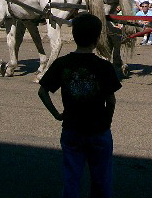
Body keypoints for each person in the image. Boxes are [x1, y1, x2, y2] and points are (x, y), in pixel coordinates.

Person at [38, 13, 121, 198]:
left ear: (74, 35)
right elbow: (112, 101)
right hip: (98, 129)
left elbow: (42, 91)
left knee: (71, 178)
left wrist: (57, 114)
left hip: (72, 127)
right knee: (102, 180)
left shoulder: (62, 63)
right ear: (97, 37)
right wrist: (107, 121)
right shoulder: (104, 66)